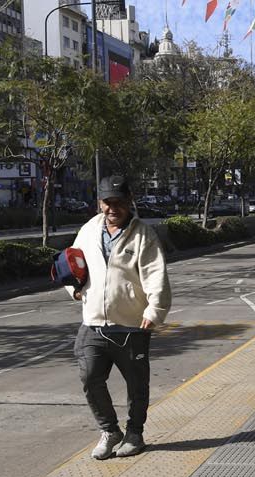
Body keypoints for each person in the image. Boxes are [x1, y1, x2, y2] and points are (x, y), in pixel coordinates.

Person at [67, 174, 172, 459]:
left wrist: (154, 310)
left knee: (136, 385)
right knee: (90, 378)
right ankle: (110, 430)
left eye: (119, 202)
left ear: (130, 202)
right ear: (99, 203)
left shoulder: (142, 235)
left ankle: (134, 434)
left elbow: (155, 274)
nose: (112, 208)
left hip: (132, 326)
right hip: (93, 323)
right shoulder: (89, 230)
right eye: (107, 202)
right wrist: (74, 289)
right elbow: (72, 262)